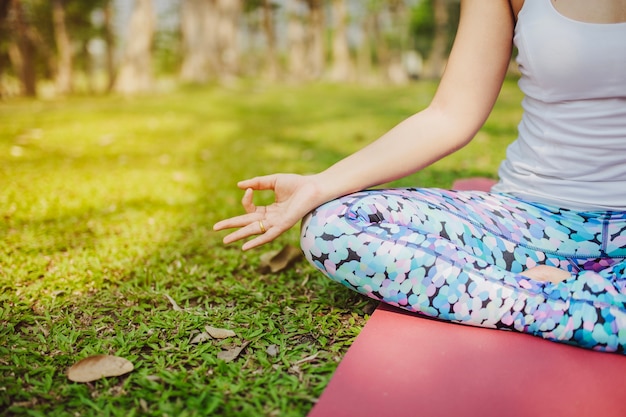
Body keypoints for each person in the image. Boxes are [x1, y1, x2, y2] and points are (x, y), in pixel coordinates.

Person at [214, 0, 626, 353]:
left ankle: (553, 299)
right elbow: (450, 114)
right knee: (332, 227)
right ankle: (570, 302)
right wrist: (319, 184)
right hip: (524, 222)